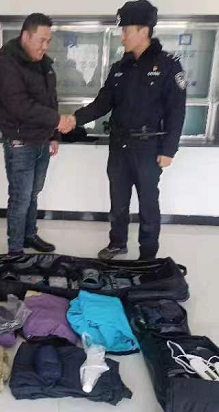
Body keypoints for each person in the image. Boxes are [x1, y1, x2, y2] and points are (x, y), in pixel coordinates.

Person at [60, 0, 186, 260]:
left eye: (126, 30)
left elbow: (177, 111)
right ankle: (117, 243)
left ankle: (148, 255)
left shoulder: (168, 66)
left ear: (143, 31)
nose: (122, 36)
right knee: (118, 201)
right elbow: (102, 103)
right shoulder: (120, 68)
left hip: (149, 147)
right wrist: (74, 119)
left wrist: (169, 150)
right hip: (119, 146)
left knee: (148, 203)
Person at [0, 13, 74, 256]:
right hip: (21, 144)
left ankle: (29, 235)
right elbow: (19, 105)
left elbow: (51, 101)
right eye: (41, 40)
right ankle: (15, 250)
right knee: (20, 197)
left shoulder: (44, 65)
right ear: (26, 35)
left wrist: (55, 135)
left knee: (33, 193)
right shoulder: (7, 65)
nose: (45, 46)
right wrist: (57, 121)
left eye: (48, 41)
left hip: (41, 141)